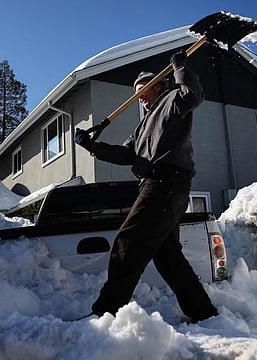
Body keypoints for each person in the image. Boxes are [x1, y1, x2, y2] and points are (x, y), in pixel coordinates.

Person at [74, 49, 218, 323]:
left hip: (166, 183)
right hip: (159, 186)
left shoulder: (172, 101)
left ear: (159, 86)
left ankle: (106, 311)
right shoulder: (142, 128)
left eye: (144, 90)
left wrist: (181, 68)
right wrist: (93, 146)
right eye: (136, 92)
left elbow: (193, 94)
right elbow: (126, 155)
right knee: (167, 257)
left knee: (128, 240)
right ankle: (204, 313)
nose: (139, 96)